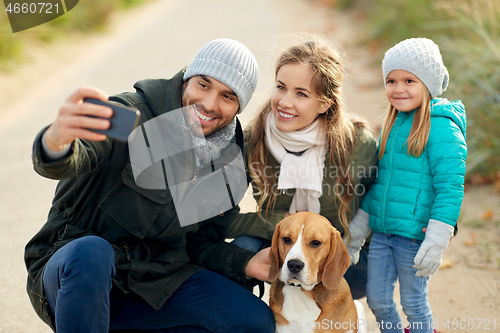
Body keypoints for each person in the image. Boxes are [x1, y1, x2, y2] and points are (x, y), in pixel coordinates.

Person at [25, 38, 275, 333]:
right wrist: (55, 141)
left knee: (254, 322)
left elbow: (200, 244)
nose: (209, 104)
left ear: (238, 107)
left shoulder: (229, 161)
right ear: (186, 80)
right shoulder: (131, 115)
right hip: (78, 277)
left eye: (227, 96)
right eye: (203, 85)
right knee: (93, 252)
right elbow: (77, 153)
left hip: (154, 284)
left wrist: (244, 262)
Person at [224, 37, 379, 300]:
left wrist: (440, 221)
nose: (284, 102)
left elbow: (385, 195)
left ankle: (333, 304)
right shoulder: (253, 140)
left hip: (334, 255)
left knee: (372, 272)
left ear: (325, 103)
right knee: (240, 252)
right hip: (279, 249)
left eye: (301, 94)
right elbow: (217, 220)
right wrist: (271, 224)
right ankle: (258, 314)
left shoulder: (356, 144)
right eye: (281, 87)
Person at [347, 38, 467, 333]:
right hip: (384, 234)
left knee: (413, 303)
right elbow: (381, 183)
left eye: (409, 80)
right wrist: (360, 227)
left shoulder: (442, 128)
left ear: (429, 83)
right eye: (391, 80)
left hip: (414, 237)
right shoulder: (394, 124)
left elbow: (450, 187)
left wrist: (438, 236)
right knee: (377, 300)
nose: (398, 88)